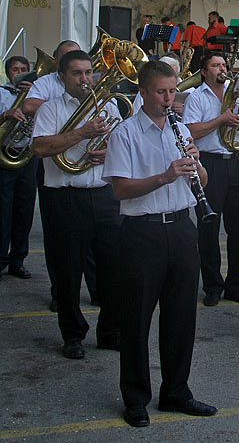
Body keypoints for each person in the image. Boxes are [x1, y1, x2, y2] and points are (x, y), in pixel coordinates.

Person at [103, 60, 217, 428]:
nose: (169, 99)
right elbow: (121, 188)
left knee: (182, 316)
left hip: (182, 229)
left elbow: (201, 178)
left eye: (173, 92)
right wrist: (165, 176)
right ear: (144, 92)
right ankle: (135, 397)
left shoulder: (180, 128)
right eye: (161, 92)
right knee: (136, 319)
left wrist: (195, 165)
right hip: (142, 232)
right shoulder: (125, 134)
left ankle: (176, 391)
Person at [32, 50, 122, 359]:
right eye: (77, 74)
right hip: (66, 197)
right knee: (68, 270)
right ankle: (72, 334)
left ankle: (110, 331)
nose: (85, 79)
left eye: (88, 73)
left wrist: (107, 151)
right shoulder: (51, 109)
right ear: (62, 77)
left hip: (104, 196)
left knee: (113, 269)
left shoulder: (108, 105)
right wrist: (83, 133)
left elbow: (123, 145)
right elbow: (41, 147)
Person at [182, 51, 239, 307]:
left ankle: (236, 285)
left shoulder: (235, 94)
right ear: (204, 72)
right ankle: (212, 285)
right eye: (215, 65)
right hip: (209, 161)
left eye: (223, 64)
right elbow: (189, 130)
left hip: (233, 160)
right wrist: (222, 118)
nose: (222, 68)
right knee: (209, 226)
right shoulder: (196, 97)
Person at [0, 56, 36, 281]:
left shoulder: (35, 94)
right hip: (5, 155)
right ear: (8, 73)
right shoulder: (2, 93)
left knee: (24, 211)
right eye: (16, 70)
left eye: (24, 69)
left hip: (27, 157)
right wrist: (6, 115)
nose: (20, 73)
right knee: (3, 212)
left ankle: (18, 260)